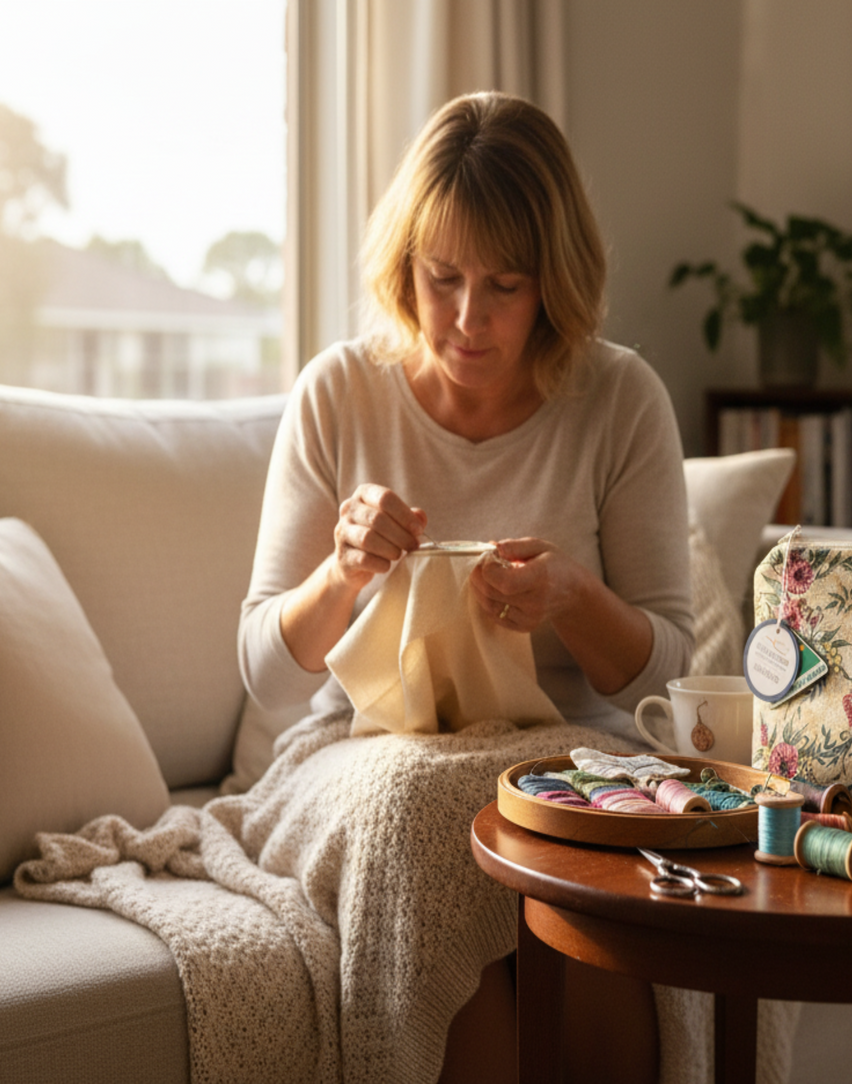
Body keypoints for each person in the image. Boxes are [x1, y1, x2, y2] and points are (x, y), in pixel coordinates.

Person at [238, 91, 693, 1083]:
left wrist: (572, 596)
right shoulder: (338, 393)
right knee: (430, 811)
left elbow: (667, 673)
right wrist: (344, 569)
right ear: (404, 266)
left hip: (563, 758)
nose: (465, 318)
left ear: (555, 285)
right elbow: (267, 679)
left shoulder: (618, 400)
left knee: (594, 923)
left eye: (505, 285)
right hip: (358, 754)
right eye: (440, 277)